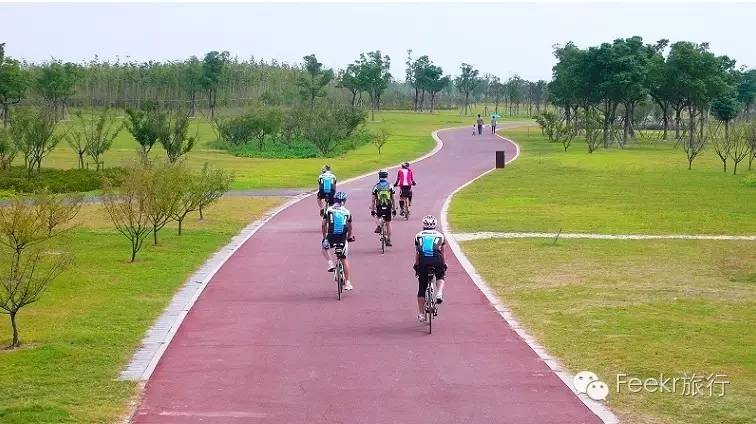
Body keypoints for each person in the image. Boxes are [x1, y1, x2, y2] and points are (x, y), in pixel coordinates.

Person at [414, 215, 447, 322]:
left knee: (422, 288)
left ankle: (421, 314)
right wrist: (444, 264)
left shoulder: (418, 235)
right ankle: (439, 293)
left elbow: (418, 253)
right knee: (441, 276)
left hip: (423, 260)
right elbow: (442, 253)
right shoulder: (440, 235)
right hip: (437, 259)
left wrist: (416, 266)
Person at [322, 191, 355, 290]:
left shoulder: (329, 210)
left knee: (324, 247)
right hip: (342, 236)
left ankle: (330, 263)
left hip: (331, 235)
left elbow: (323, 224)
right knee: (344, 259)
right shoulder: (347, 212)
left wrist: (325, 237)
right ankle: (348, 283)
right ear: (344, 201)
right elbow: (350, 228)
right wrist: (349, 237)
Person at [370, 169, 396, 246]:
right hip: (388, 206)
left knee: (377, 217)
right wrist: (394, 209)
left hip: (379, 206)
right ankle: (389, 240)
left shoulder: (376, 186)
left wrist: (372, 210)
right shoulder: (390, 186)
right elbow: (393, 199)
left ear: (379, 177)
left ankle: (378, 226)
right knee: (388, 223)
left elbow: (373, 200)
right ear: (386, 176)